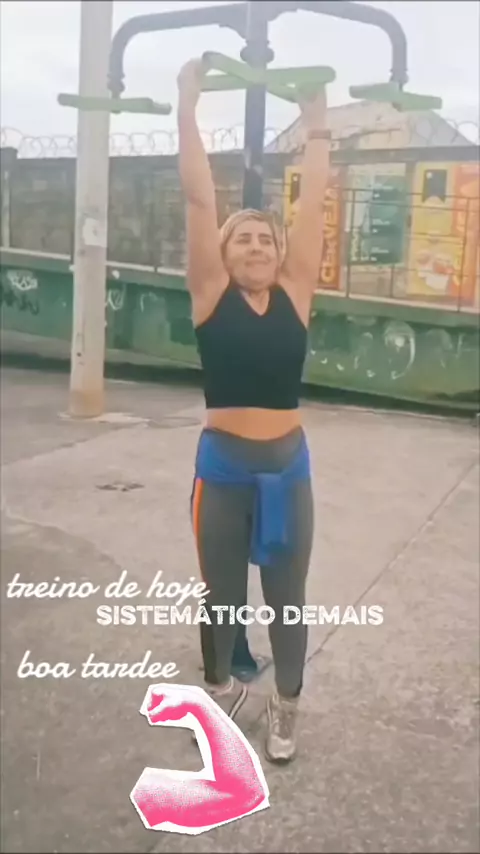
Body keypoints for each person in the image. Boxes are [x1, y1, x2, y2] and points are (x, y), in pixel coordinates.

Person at [177, 57, 330, 763]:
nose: (258, 245)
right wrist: (187, 107)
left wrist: (318, 126)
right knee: (221, 598)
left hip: (287, 468)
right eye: (244, 237)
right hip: (224, 470)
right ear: (224, 253)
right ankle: (219, 694)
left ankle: (286, 705)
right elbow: (198, 202)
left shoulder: (296, 293)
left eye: (266, 238)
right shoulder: (211, 295)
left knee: (287, 598)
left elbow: (312, 208)